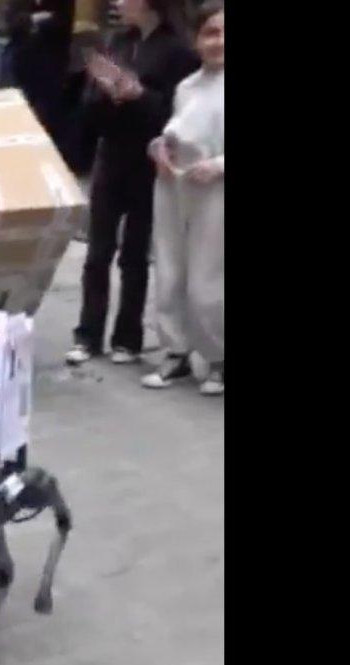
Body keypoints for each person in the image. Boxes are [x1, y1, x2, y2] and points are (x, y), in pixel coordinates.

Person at [63, 0, 198, 367]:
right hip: (111, 153)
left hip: (149, 158)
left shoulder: (178, 52)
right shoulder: (118, 42)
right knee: (97, 252)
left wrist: (139, 95)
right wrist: (103, 90)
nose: (118, 3)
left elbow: (178, 114)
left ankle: (128, 338)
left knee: (135, 254)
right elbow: (90, 104)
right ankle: (88, 334)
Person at [141, 0, 223, 394]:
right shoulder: (186, 88)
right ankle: (176, 352)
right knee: (171, 272)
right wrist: (159, 147)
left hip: (216, 193)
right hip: (174, 187)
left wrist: (219, 166)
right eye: (211, 33)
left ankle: (219, 357)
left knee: (209, 280)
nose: (218, 42)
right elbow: (175, 132)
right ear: (196, 40)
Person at [6, 0, 74, 142]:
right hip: (22, 62)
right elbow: (12, 20)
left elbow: (62, 22)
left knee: (47, 115)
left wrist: (34, 22)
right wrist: (32, 19)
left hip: (50, 66)